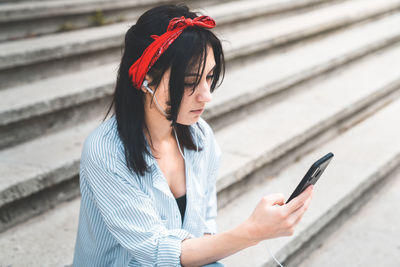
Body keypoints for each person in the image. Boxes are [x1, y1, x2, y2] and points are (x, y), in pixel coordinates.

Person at [72, 3, 313, 267]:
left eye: (209, 77)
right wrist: (253, 231)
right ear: (145, 79)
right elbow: (157, 252)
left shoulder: (200, 137)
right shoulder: (106, 151)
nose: (206, 96)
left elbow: (203, 230)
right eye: (189, 82)